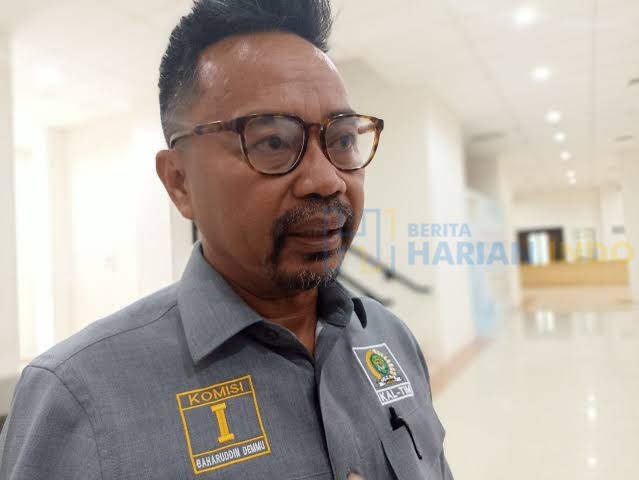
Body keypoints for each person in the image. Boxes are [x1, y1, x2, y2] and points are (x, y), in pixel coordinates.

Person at [0, 1, 454, 478]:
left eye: (341, 139)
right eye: (273, 142)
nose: (327, 179)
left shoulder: (390, 338)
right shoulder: (77, 403)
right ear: (179, 182)